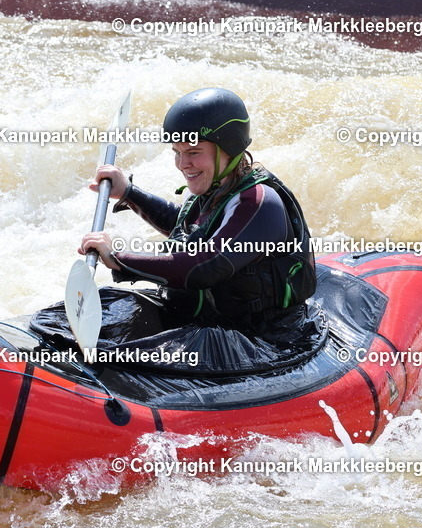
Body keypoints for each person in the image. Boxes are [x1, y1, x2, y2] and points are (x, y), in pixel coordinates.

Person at [76, 88, 317, 342]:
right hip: (210, 322)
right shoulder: (215, 189)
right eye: (177, 153)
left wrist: (119, 260)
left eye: (193, 152)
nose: (182, 164)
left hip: (259, 339)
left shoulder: (259, 203)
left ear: (229, 149)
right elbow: (185, 227)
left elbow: (207, 265)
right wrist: (128, 192)